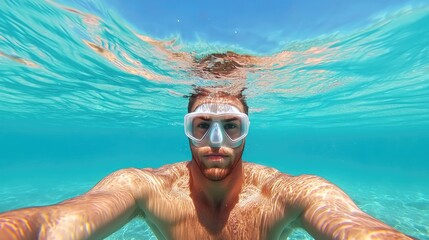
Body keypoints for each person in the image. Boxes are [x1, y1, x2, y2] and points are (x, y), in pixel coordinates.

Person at [0, 86, 416, 239]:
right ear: (186, 129)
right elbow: (63, 220)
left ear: (246, 131)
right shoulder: (149, 187)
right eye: (201, 126)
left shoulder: (284, 193)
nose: (215, 143)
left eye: (231, 127)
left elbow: (357, 229)